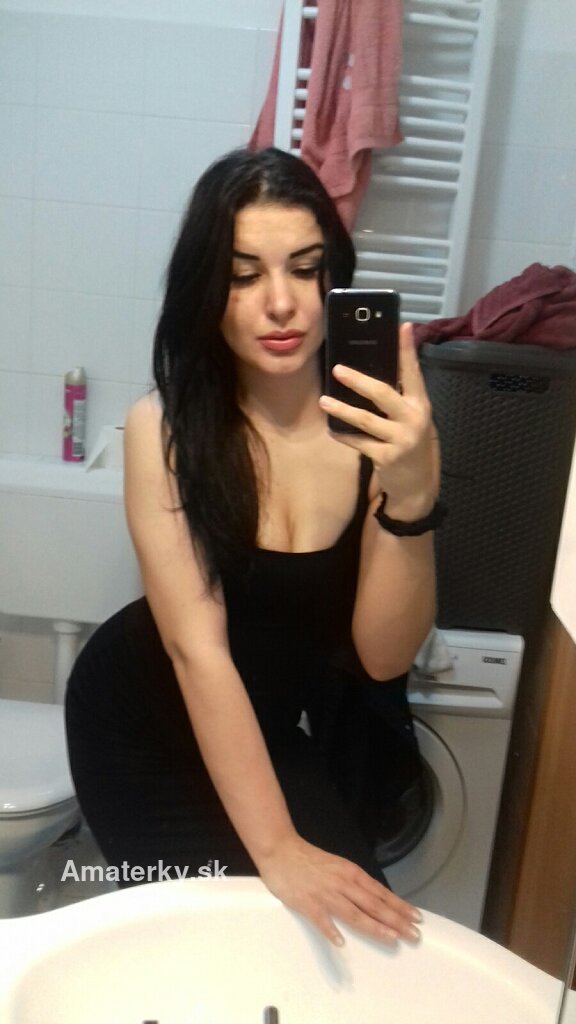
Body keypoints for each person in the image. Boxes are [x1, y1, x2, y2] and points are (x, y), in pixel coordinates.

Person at [65, 146, 440, 950]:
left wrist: (412, 496)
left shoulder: (378, 429)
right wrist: (277, 850)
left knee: (361, 930)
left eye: (305, 269)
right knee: (201, 945)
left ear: (334, 279)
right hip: (140, 724)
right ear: (208, 290)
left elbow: (382, 656)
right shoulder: (164, 427)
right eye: (243, 275)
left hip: (264, 727)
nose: (281, 303)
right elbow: (197, 651)